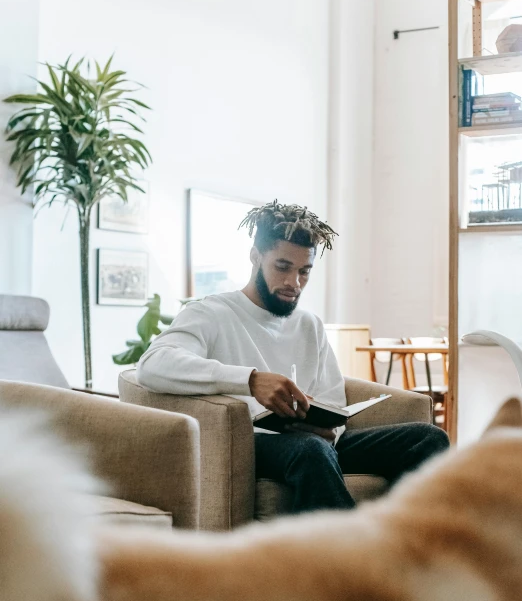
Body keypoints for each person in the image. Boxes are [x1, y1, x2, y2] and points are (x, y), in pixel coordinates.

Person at [137, 200, 449, 513]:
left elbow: (332, 402)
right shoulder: (212, 312)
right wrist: (251, 380)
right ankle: (349, 556)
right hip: (249, 446)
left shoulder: (309, 325)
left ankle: (406, 545)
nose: (293, 283)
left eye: (304, 271)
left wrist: (328, 430)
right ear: (256, 257)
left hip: (311, 446)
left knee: (427, 438)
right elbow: (153, 365)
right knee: (310, 450)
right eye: (283, 267)